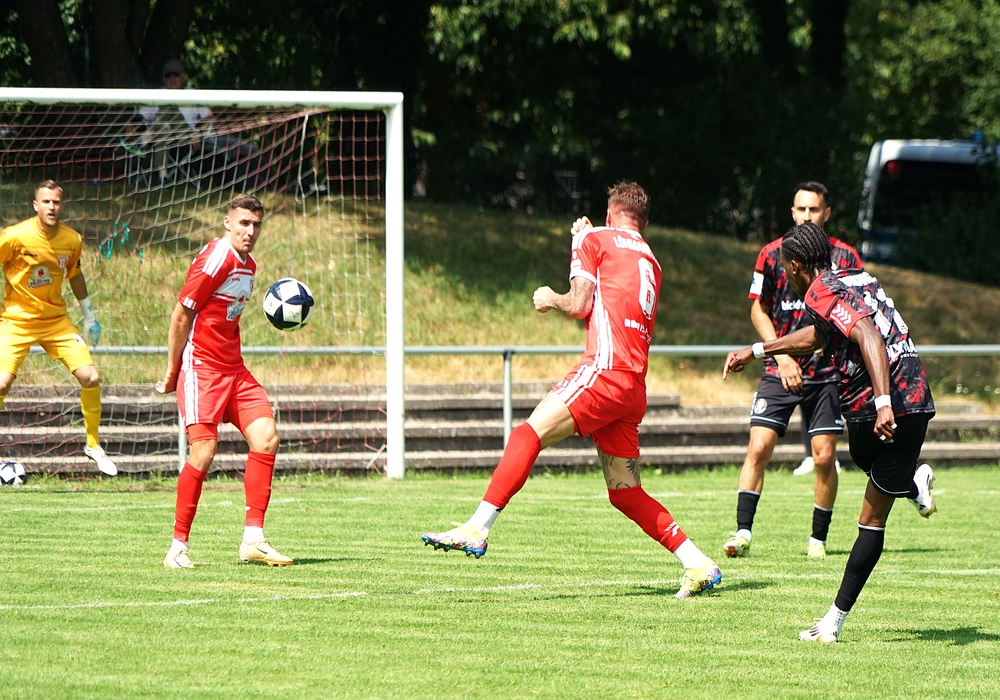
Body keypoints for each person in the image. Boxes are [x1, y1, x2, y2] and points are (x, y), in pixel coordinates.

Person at [422, 181, 722, 599]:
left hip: (603, 371)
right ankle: (698, 562)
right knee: (626, 493)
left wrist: (551, 294)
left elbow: (580, 304)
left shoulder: (595, 238)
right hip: (632, 386)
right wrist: (586, 237)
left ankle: (477, 527)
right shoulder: (652, 260)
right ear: (644, 222)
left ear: (610, 212)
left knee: (527, 435)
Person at [723, 222, 937, 642]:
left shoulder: (820, 290)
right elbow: (819, 336)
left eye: (785, 266)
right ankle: (913, 484)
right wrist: (759, 350)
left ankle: (832, 622)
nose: (784, 273)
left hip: (890, 403)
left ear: (795, 266)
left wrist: (883, 402)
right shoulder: (852, 277)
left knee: (870, 520)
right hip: (915, 396)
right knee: (860, 456)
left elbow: (869, 335)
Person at [724, 182, 860, 560]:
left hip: (826, 371)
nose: (806, 216)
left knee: (824, 456)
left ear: (826, 214)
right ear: (792, 211)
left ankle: (818, 540)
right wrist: (781, 358)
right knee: (759, 446)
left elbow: (855, 311)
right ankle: (742, 533)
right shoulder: (772, 254)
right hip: (779, 366)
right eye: (801, 209)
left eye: (813, 210)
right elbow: (758, 309)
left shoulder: (845, 257)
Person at [157, 194, 291, 569]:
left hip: (234, 369)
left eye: (257, 224)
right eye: (244, 223)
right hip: (202, 369)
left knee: (267, 437)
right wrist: (172, 370)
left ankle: (254, 540)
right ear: (228, 223)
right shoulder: (215, 260)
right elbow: (181, 316)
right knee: (203, 451)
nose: (250, 231)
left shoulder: (249, 265)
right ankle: (177, 548)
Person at [0, 180, 117, 476]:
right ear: (35, 205)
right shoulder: (14, 237)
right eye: (46, 202)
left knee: (91, 376)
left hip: (56, 322)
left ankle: (93, 445)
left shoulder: (71, 239)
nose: (52, 207)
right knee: (1, 383)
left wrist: (89, 316)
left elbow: (75, 274)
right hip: (16, 320)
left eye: (56, 202)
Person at [139, 60, 265, 190]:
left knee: (169, 108)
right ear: (163, 79)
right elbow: (140, 117)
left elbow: (210, 118)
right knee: (164, 127)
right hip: (163, 137)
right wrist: (132, 126)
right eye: (168, 75)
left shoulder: (193, 94)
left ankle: (142, 141)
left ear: (183, 77)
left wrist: (198, 133)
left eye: (175, 75)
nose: (172, 78)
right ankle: (163, 177)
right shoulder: (157, 94)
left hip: (187, 139)